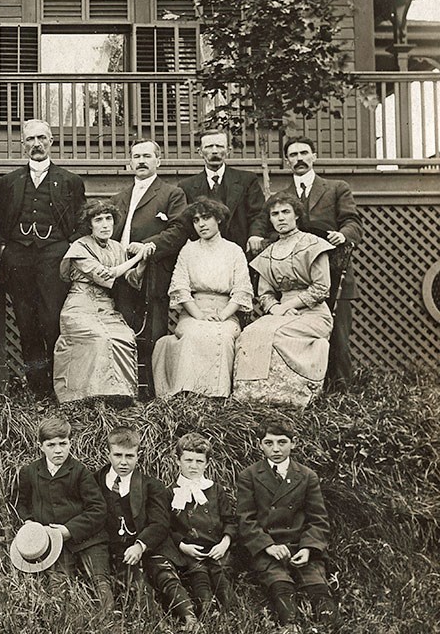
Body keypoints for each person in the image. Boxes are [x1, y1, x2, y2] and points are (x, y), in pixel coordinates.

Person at [0, 120, 85, 395]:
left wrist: (67, 248)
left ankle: (60, 386)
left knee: (52, 320)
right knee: (26, 321)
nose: (36, 144)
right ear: (23, 144)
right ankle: (39, 389)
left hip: (53, 257)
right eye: (31, 139)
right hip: (19, 257)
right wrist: (5, 248)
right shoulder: (9, 182)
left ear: (51, 141)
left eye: (42, 138)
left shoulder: (69, 181)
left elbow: (82, 221)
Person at [233, 193, 336, 407]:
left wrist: (288, 306)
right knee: (250, 333)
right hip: (281, 313)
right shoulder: (269, 252)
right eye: (275, 214)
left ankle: (291, 395)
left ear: (296, 215)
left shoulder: (313, 244)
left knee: (277, 335)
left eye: (286, 212)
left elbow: (321, 288)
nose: (280, 218)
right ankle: (254, 396)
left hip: (314, 313)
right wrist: (277, 308)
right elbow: (265, 294)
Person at [278, 136, 363, 390]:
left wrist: (343, 235)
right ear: (287, 161)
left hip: (335, 274)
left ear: (314, 156)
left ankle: (340, 393)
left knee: (338, 336)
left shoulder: (336, 188)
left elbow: (353, 222)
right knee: (299, 337)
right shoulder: (282, 197)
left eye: (304, 153)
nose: (299, 159)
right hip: (299, 280)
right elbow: (266, 223)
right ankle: (305, 389)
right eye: (293, 155)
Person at [235, 419, 335, 628]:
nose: (276, 449)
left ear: (293, 443)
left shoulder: (307, 476)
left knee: (320, 594)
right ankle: (290, 627)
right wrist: (268, 546)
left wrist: (308, 548)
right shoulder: (249, 476)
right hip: (268, 549)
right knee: (282, 590)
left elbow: (318, 519)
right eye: (269, 443)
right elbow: (246, 519)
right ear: (260, 445)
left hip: (300, 547)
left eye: (282, 442)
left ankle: (328, 626)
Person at [97, 427, 198, 630]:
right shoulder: (95, 482)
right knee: (136, 583)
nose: (123, 462)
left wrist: (140, 545)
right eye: (117, 455)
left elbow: (160, 523)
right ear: (108, 454)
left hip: (150, 545)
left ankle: (189, 617)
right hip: (118, 550)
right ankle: (158, 625)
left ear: (138, 455)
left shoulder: (151, 486)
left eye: (129, 456)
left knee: (164, 574)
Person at [151, 197, 253, 399]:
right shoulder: (188, 250)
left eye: (206, 218)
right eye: (196, 220)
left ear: (218, 219)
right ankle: (187, 394)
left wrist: (222, 315)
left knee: (222, 336)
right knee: (192, 334)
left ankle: (217, 395)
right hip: (193, 312)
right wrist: (199, 315)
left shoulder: (234, 251)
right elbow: (180, 287)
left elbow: (241, 290)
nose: (201, 224)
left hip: (225, 313)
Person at [110, 140, 188, 395]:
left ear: (158, 161)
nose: (141, 161)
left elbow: (179, 230)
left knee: (152, 331)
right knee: (123, 329)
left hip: (153, 272)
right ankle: (126, 388)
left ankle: (152, 391)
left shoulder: (171, 194)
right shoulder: (119, 197)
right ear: (129, 162)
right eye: (136, 156)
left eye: (147, 156)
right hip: (121, 272)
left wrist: (147, 246)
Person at [12, 417, 111, 612]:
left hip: (88, 539)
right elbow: (21, 502)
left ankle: (109, 620)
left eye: (63, 444)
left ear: (70, 443)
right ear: (41, 446)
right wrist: (29, 522)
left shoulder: (80, 472)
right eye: (51, 445)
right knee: (59, 586)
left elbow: (98, 508)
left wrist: (69, 530)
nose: (58, 450)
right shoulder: (30, 472)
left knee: (100, 581)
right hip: (53, 542)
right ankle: (65, 622)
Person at [53, 200, 144, 403]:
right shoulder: (81, 247)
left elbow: (131, 279)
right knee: (100, 338)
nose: (105, 225)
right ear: (89, 224)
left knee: (123, 336)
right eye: (98, 220)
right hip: (79, 307)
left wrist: (143, 261)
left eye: (108, 219)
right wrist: (137, 257)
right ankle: (85, 396)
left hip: (105, 307)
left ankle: (119, 395)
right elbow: (106, 275)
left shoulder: (116, 248)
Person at [166, 433, 236, 618]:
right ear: (178, 461)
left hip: (217, 548)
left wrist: (224, 543)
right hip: (190, 551)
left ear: (207, 463)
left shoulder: (215, 490)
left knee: (222, 580)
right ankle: (207, 611)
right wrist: (183, 546)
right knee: (199, 578)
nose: (193, 466)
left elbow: (230, 520)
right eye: (188, 460)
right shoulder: (170, 492)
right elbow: (167, 527)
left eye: (199, 461)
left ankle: (231, 614)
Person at [176, 130, 266, 255]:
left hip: (240, 251)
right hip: (203, 254)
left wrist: (255, 235)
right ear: (200, 152)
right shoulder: (187, 186)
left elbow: (258, 213)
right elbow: (184, 223)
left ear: (228, 150)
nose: (214, 151)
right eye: (209, 146)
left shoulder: (247, 180)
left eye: (219, 146)